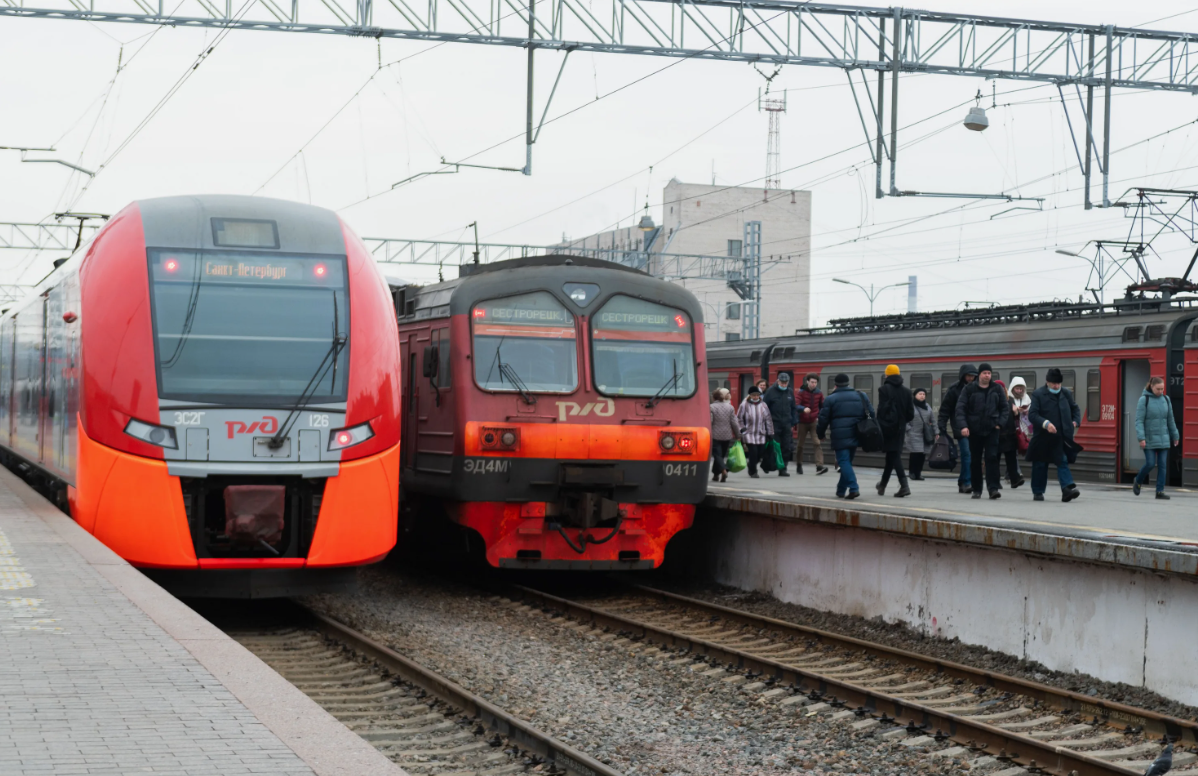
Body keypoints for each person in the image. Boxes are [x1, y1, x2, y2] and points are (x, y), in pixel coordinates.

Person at [1026, 367, 1082, 503]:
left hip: (1060, 437)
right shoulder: (1038, 394)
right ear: (1047, 382)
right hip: (1043, 437)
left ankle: (1067, 489)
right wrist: (1046, 424)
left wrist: (1075, 421)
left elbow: (1075, 408)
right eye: (1053, 383)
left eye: (1058, 383)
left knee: (1062, 460)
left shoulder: (1066, 393)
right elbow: (1032, 414)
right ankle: (1038, 491)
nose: (1056, 386)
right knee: (1040, 463)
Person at [955, 363, 1010, 499]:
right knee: (975, 460)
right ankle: (977, 489)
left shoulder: (997, 389)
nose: (987, 375)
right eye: (985, 373)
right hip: (974, 430)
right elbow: (960, 408)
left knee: (992, 458)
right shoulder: (969, 389)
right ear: (979, 375)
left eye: (989, 373)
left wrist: (1000, 424)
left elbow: (1005, 408)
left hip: (992, 429)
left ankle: (993, 488)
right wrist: (964, 426)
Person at [817, 373, 872, 500]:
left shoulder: (831, 399)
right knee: (846, 461)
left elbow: (823, 419)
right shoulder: (860, 395)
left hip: (840, 435)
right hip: (857, 433)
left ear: (835, 385)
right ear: (848, 383)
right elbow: (871, 413)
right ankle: (841, 490)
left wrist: (820, 434)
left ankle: (854, 488)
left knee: (843, 461)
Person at [1133, 376, 1179, 499]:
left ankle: (1160, 491)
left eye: (1162, 389)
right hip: (1149, 439)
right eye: (1158, 389)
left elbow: (1170, 420)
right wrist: (1141, 438)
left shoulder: (1166, 399)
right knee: (1150, 464)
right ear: (1151, 386)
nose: (1160, 391)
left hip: (1164, 438)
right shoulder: (1144, 400)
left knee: (1163, 465)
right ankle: (1138, 480)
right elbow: (1139, 421)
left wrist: (1175, 435)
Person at [938, 364, 978, 493]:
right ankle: (967, 482)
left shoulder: (979, 388)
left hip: (975, 427)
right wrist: (941, 427)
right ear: (962, 376)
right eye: (968, 375)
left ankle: (962, 481)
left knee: (971, 455)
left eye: (973, 376)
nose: (971, 378)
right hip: (960, 427)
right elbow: (945, 409)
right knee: (967, 454)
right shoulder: (954, 389)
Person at [876, 365, 915, 497]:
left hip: (887, 427)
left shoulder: (883, 389)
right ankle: (882, 485)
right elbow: (911, 414)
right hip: (900, 428)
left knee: (894, 456)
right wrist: (902, 420)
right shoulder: (907, 391)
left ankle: (904, 486)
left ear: (887, 375)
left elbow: (881, 411)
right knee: (891, 456)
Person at [763, 373, 799, 477]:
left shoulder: (790, 392)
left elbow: (793, 408)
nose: (784, 385)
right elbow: (765, 409)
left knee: (786, 447)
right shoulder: (770, 392)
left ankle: (783, 468)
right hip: (774, 424)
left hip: (786, 424)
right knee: (774, 446)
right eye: (782, 383)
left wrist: (793, 422)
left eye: (785, 383)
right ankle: (767, 465)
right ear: (777, 381)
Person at [736, 386, 774, 479]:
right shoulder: (744, 405)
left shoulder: (763, 405)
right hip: (749, 433)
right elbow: (739, 418)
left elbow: (768, 419)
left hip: (761, 433)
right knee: (753, 452)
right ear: (750, 395)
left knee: (760, 453)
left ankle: (751, 464)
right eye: (754, 395)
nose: (756, 397)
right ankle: (753, 471)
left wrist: (770, 432)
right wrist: (742, 429)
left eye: (757, 395)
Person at [795, 374, 829, 475]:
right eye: (812, 382)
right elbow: (796, 405)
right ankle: (799, 464)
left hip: (814, 421)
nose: (813, 384)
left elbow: (823, 406)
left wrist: (820, 415)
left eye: (815, 382)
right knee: (800, 445)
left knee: (817, 443)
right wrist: (803, 409)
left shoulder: (819, 393)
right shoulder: (801, 392)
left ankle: (819, 466)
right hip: (802, 421)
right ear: (807, 382)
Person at [1000, 377, 1029, 489]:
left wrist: (1021, 412)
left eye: (1021, 389)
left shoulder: (1023, 399)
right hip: (1002, 433)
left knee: (1012, 455)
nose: (1019, 391)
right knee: (1000, 457)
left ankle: (1012, 477)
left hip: (1016, 431)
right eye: (1017, 388)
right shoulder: (1007, 400)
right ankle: (1013, 475)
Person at [709, 388, 741, 483]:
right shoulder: (730, 407)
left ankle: (723, 470)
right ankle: (715, 475)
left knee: (717, 455)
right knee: (721, 456)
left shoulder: (711, 407)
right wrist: (738, 435)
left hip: (715, 435)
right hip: (727, 436)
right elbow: (734, 423)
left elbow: (710, 421)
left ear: (714, 398)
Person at [905, 387, 935, 480]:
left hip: (925, 434)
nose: (922, 396)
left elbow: (933, 419)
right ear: (915, 395)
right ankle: (912, 472)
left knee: (922, 454)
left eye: (924, 394)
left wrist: (936, 431)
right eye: (920, 394)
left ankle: (918, 473)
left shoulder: (927, 406)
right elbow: (904, 419)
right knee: (915, 454)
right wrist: (909, 429)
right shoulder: (910, 406)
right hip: (913, 433)